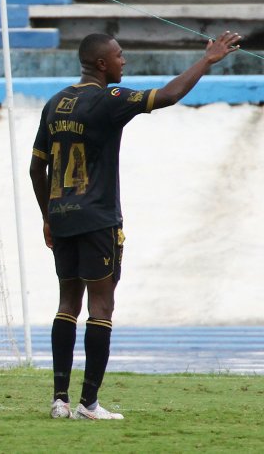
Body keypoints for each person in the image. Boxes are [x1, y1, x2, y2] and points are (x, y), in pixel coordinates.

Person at [30, 31, 241, 421]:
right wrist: (207, 60)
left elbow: (35, 168)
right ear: (101, 64)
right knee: (102, 306)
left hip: (62, 218)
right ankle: (89, 404)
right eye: (119, 56)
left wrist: (48, 214)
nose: (123, 61)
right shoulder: (109, 100)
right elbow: (168, 95)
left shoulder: (55, 102)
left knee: (66, 304)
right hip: (97, 219)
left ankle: (59, 400)